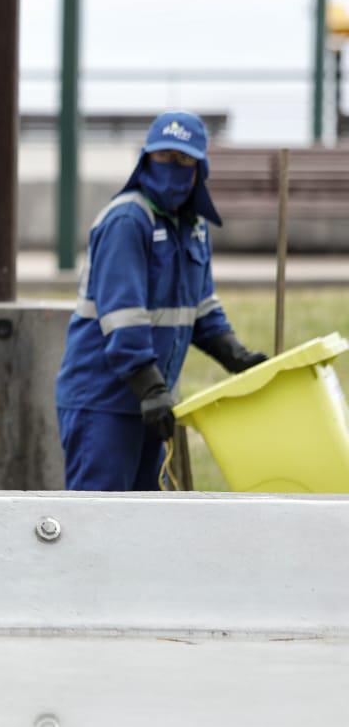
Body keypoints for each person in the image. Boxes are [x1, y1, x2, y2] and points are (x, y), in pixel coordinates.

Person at [55, 111, 267, 491]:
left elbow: (202, 309)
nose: (173, 168)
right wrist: (151, 388)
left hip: (151, 404)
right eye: (164, 157)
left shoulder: (193, 227)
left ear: (199, 169)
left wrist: (236, 355)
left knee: (146, 525)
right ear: (146, 159)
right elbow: (124, 318)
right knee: (98, 523)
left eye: (184, 160)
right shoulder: (127, 221)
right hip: (104, 402)